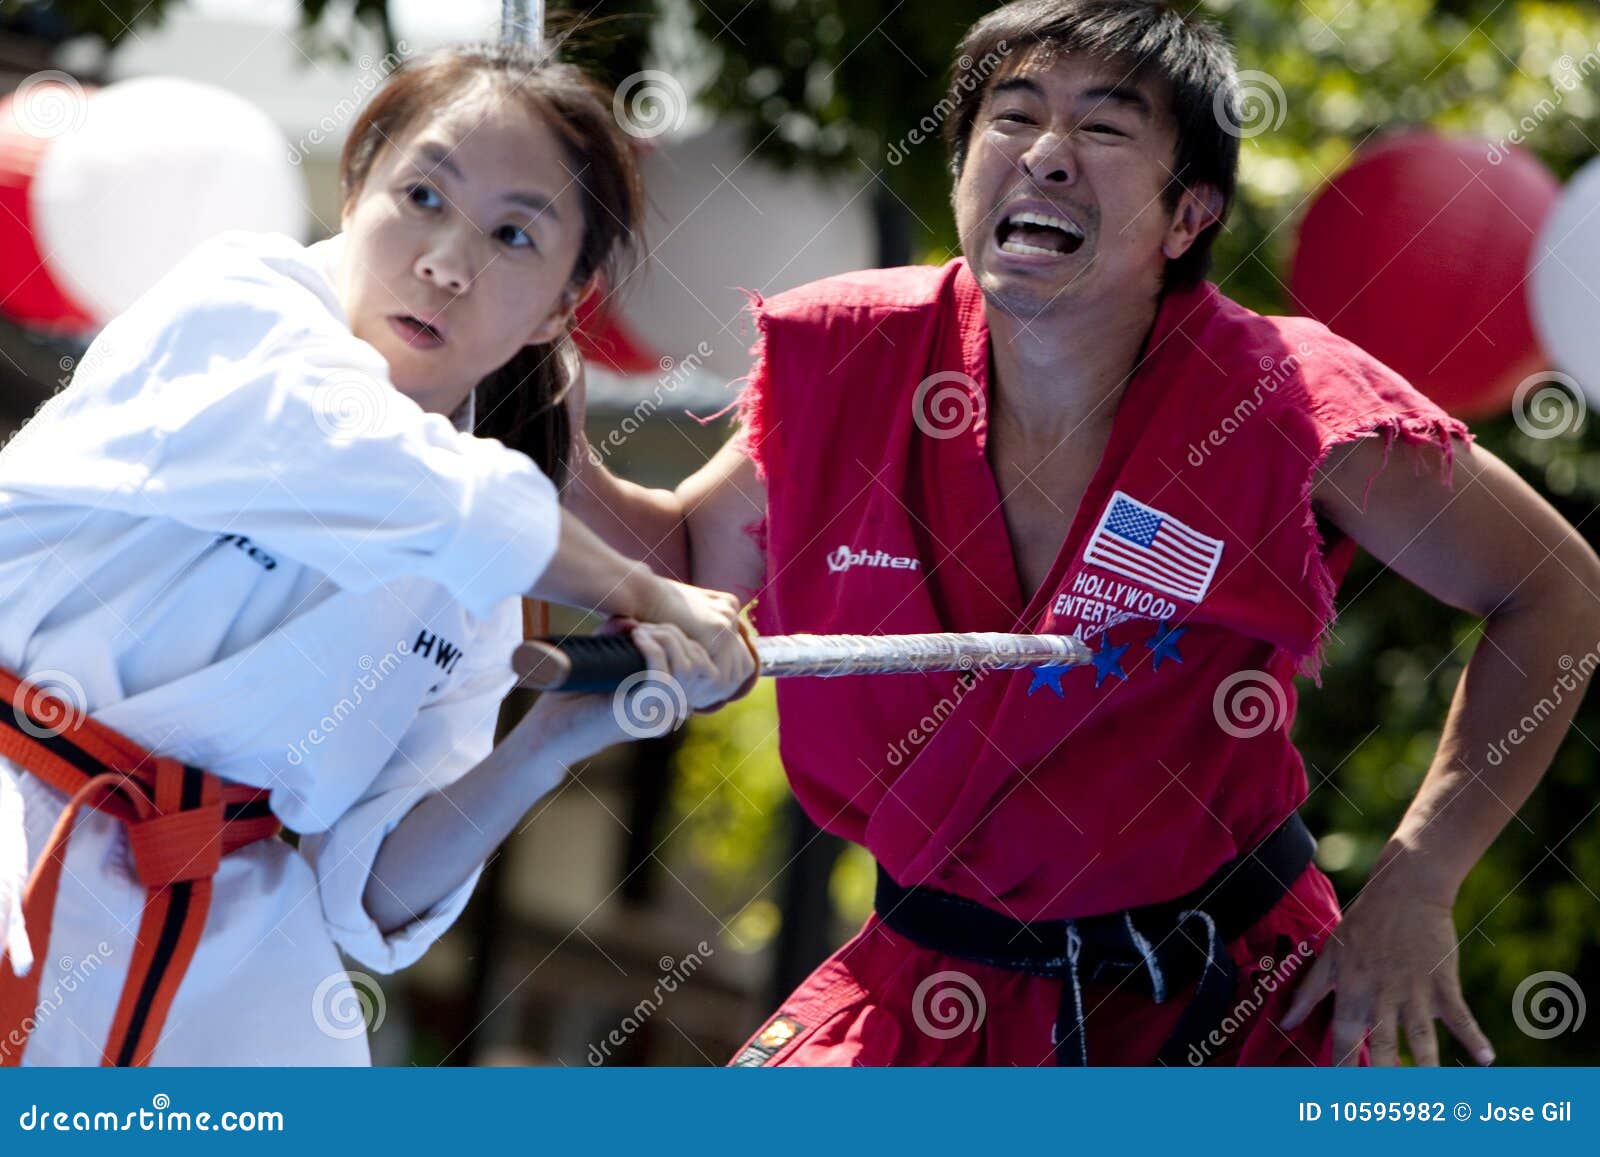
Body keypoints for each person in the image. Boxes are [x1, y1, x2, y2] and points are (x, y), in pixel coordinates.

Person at [566, 0, 1600, 1066]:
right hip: (922, 989)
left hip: (1227, 1002)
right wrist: (534, 424)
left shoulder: (1286, 397)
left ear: (1187, 214)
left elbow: (1558, 590)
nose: (1047, 154)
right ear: (962, 174)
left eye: (1104, 128)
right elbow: (679, 569)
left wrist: (1420, 879)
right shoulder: (851, 352)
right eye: (1012, 118)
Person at [0, 42, 753, 1066]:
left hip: (215, 955)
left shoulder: (480, 578)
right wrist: (644, 589)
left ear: (557, 309)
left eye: (513, 234)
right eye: (422, 195)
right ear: (354, 191)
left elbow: (371, 888)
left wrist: (552, 740)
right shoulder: (236, 309)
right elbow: (376, 464)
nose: (446, 260)